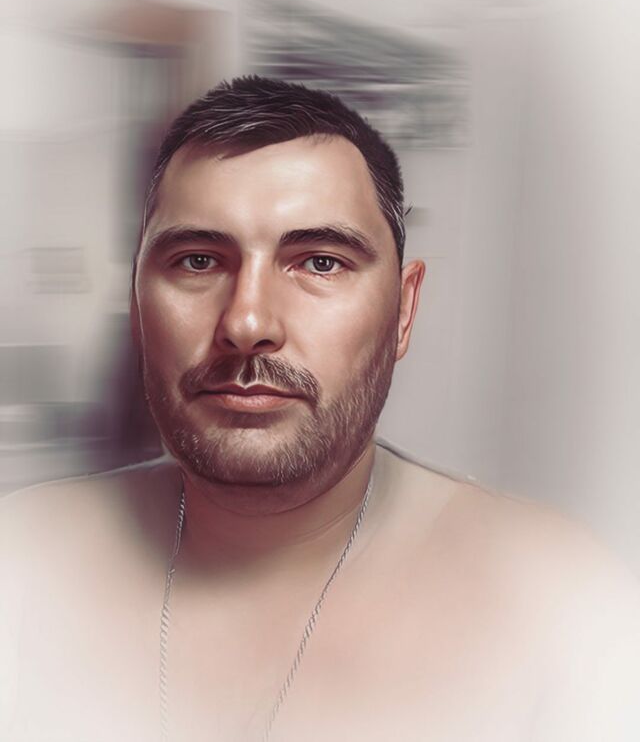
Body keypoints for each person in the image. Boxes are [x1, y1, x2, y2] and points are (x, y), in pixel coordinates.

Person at [1, 76, 638, 742]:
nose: (247, 322)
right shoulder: (19, 560)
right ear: (137, 302)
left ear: (403, 310)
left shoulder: (562, 606)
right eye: (198, 260)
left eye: (321, 263)